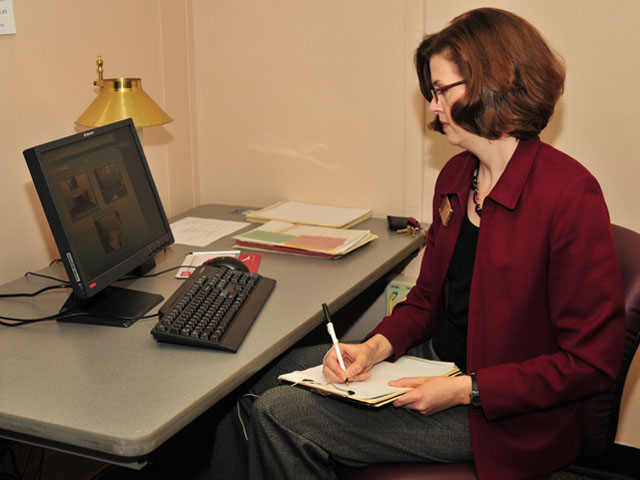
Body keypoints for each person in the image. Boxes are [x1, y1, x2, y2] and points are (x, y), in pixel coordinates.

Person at [208, 8, 625, 479]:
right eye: (431, 92)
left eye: (441, 90)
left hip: (497, 413)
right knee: (247, 385)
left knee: (282, 414)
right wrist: (375, 348)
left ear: (490, 84)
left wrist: (466, 389)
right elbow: (426, 300)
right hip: (435, 365)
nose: (431, 106)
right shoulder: (456, 176)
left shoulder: (569, 194)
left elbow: (590, 363)